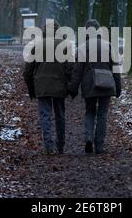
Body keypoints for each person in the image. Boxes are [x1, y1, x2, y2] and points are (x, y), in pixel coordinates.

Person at [68, 19, 122, 154]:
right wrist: (118, 86)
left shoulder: (82, 47)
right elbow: (116, 68)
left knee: (90, 112)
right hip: (106, 83)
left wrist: (73, 89)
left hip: (89, 84)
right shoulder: (108, 46)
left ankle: (88, 138)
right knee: (103, 114)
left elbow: (77, 71)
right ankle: (99, 146)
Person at [23, 20, 73, 155]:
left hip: (42, 86)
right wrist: (69, 85)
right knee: (60, 115)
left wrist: (31, 88)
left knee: (45, 116)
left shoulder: (37, 45)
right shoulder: (64, 45)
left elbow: (27, 70)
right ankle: (61, 145)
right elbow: (70, 68)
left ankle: (49, 146)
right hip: (59, 85)